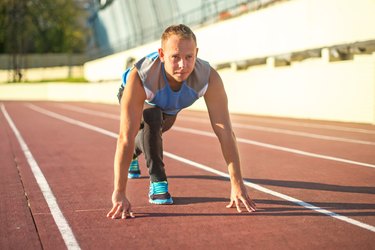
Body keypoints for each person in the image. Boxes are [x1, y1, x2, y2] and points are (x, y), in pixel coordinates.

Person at [107, 24, 256, 219]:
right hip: (140, 97)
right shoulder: (141, 76)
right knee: (151, 116)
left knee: (154, 131)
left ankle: (134, 156)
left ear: (196, 53)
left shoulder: (208, 77)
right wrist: (119, 192)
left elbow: (225, 131)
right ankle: (158, 182)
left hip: (170, 108)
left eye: (189, 57)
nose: (182, 65)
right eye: (175, 57)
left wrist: (237, 184)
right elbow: (125, 136)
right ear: (161, 54)